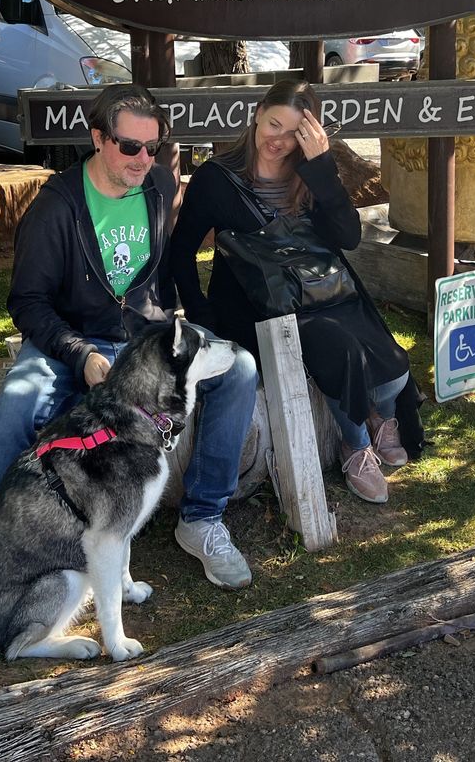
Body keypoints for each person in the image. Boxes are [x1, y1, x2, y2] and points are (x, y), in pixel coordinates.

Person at [0, 83, 259, 591]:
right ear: (97, 138)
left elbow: (161, 272)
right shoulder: (56, 207)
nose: (142, 159)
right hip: (72, 339)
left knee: (239, 369)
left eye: (152, 147)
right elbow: (27, 302)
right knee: (12, 412)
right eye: (129, 146)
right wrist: (80, 353)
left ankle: (201, 519)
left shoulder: (156, 186)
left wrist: (178, 326)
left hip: (144, 336)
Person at [169, 79, 426, 504]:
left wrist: (322, 166)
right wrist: (201, 315)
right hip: (254, 309)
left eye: (294, 133)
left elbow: (348, 236)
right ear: (257, 113)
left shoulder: (307, 173)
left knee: (394, 365)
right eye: (274, 125)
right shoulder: (218, 179)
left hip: (321, 290)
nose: (280, 140)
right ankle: (356, 444)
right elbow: (181, 252)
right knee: (340, 347)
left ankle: (377, 411)